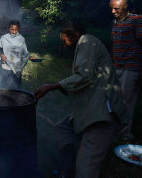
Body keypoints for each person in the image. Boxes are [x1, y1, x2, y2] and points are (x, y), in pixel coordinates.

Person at [34, 22, 128, 178]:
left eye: (64, 41)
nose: (64, 45)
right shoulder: (86, 46)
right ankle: (67, 167)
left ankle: (81, 160)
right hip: (88, 110)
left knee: (85, 170)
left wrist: (52, 86)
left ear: (74, 35)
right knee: (58, 132)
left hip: (103, 116)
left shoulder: (87, 41)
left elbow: (84, 77)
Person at [109, 0, 142, 139]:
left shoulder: (136, 20)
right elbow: (114, 44)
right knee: (114, 98)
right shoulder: (115, 22)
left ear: (125, 7)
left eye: (116, 9)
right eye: (111, 9)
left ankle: (125, 135)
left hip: (131, 67)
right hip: (117, 66)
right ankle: (114, 129)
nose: (113, 12)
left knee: (127, 102)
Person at [0, 20, 29, 89]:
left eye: (16, 30)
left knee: (17, 88)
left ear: (19, 29)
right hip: (6, 67)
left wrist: (26, 58)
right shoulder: (4, 38)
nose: (14, 32)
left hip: (17, 68)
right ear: (8, 28)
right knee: (4, 87)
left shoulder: (21, 39)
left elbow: (24, 53)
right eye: (12, 29)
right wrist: (1, 55)